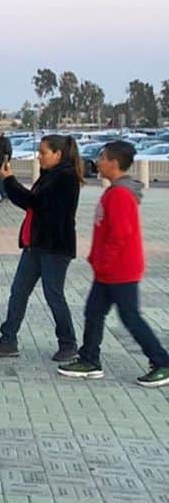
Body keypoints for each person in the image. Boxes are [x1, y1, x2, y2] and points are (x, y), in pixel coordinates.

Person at [58, 141, 169, 386]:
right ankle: (89, 360)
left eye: (102, 157)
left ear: (114, 163)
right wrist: (96, 260)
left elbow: (121, 234)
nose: (98, 162)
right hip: (108, 269)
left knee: (130, 317)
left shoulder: (120, 195)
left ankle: (162, 362)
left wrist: (105, 261)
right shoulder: (114, 191)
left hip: (120, 269)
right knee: (94, 313)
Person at [0, 134, 82, 362]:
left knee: (53, 295)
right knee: (19, 292)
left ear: (58, 154)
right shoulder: (50, 175)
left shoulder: (65, 177)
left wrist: (9, 181)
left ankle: (68, 344)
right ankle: (8, 340)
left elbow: (36, 203)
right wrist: (11, 183)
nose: (39, 157)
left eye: (43, 152)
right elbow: (32, 202)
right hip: (35, 245)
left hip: (54, 247)